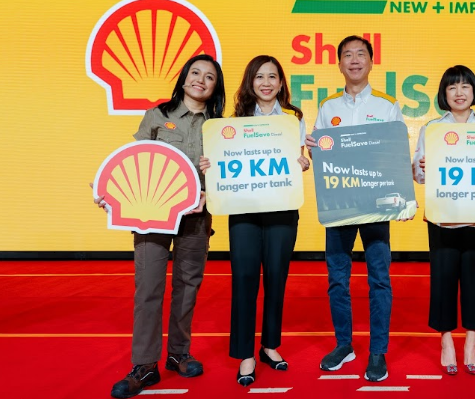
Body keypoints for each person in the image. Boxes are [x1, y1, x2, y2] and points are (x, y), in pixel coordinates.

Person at [94, 54, 226, 398]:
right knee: (149, 288)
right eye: (195, 73)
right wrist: (111, 193)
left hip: (197, 217)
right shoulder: (157, 115)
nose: (200, 80)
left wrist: (210, 192)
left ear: (215, 87)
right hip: (151, 215)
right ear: (183, 78)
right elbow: (135, 163)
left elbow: (229, 176)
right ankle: (145, 365)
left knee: (187, 286)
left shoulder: (220, 127)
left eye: (209, 77)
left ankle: (179, 353)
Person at [200, 55, 310, 387]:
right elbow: (223, 163)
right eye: (259, 76)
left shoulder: (293, 120)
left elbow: (298, 159)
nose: (266, 83)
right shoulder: (233, 123)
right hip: (243, 211)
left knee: (277, 277)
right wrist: (210, 166)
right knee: (245, 278)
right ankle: (245, 352)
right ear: (250, 82)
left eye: (272, 76)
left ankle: (269, 345)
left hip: (282, 209)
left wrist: (302, 163)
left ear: (281, 83)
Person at [305, 35, 405, 382]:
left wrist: (401, 200)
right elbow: (320, 155)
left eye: (361, 54)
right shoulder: (328, 107)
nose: (354, 60)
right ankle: (344, 345)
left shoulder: (388, 105)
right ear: (339, 64)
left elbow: (396, 155)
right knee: (337, 279)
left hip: (376, 205)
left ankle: (377, 352)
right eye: (347, 55)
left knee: (379, 279)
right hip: (340, 204)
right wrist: (313, 147)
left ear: (371, 62)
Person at [412, 65, 475, 376]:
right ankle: (446, 340)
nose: (459, 93)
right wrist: (421, 167)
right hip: (442, 217)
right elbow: (419, 176)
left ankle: (471, 340)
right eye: (452, 87)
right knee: (442, 279)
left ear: (474, 92)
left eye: (465, 86)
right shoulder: (432, 129)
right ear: (444, 94)